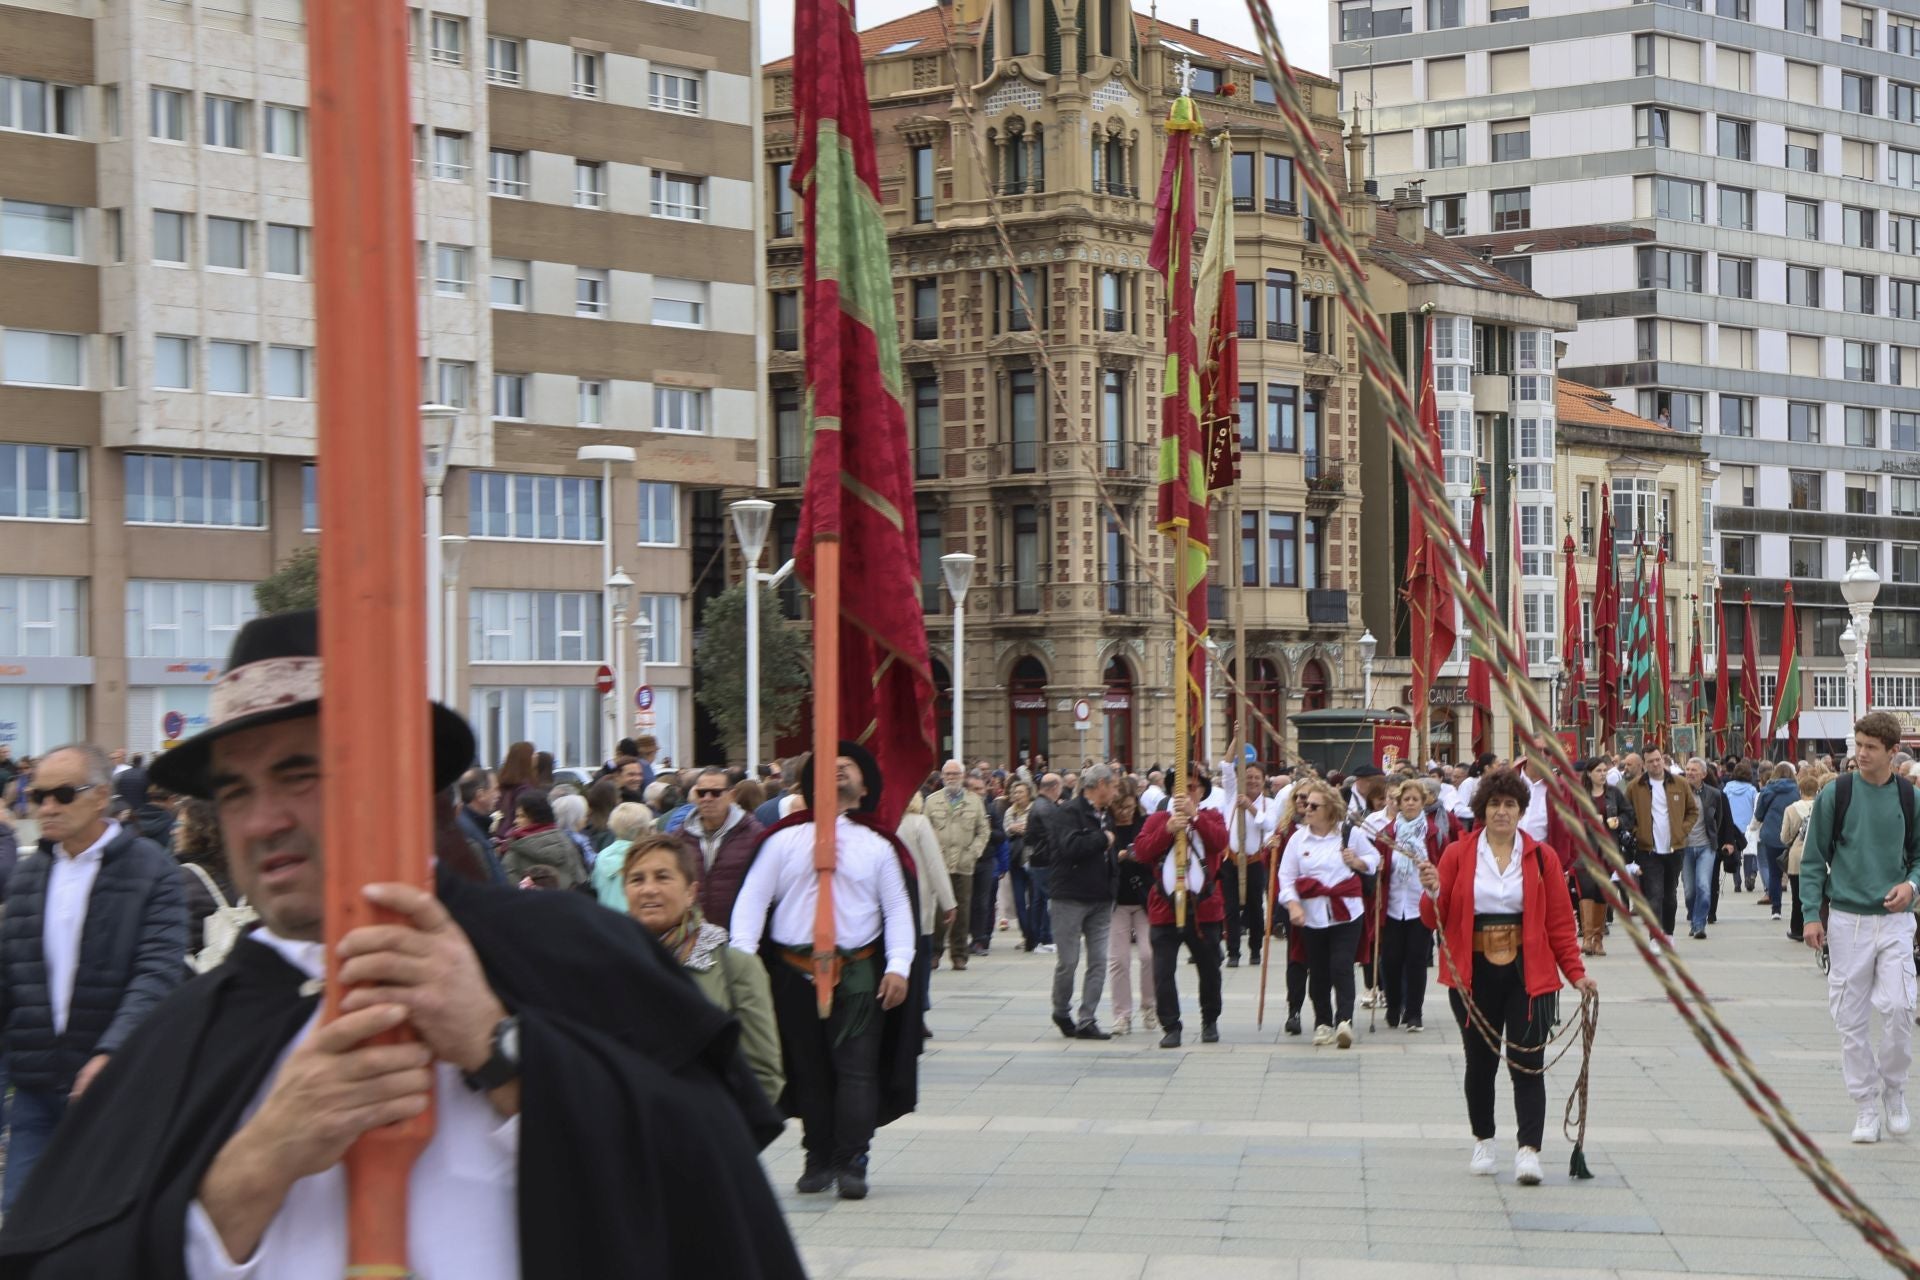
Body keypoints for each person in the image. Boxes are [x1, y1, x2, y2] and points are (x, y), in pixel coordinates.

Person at [0, 609, 801, 1276]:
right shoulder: (185, 1034)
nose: (262, 819)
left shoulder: (573, 953)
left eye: (300, 774)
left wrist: (507, 1053)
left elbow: (715, 1210)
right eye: (236, 790)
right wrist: (255, 1165)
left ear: (399, 777)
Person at [729, 743, 921, 1200]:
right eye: (828, 767)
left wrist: (898, 967)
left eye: (847, 766)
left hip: (858, 974)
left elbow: (898, 909)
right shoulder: (781, 841)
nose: (837, 770)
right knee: (808, 1070)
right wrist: (742, 965)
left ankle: (852, 1159)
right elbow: (751, 903)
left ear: (865, 786)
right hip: (793, 972)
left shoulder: (879, 847)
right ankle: (817, 1155)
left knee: (857, 1071)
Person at [0, 743, 187, 1210]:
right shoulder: (28, 876)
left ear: (101, 796)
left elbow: (158, 971)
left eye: (63, 794)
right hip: (37, 1090)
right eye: (38, 795)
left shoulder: (153, 870)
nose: (46, 807)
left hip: (116, 1091)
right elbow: (10, 979)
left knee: (103, 1225)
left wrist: (111, 1052)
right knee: (21, 1223)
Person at [1418, 768, 1595, 1185]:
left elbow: (1559, 924)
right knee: (1479, 1063)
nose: (1502, 811)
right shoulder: (1457, 854)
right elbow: (1432, 919)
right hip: (1472, 974)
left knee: (1527, 1064)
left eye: (1510, 804)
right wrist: (1433, 890)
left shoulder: (1542, 857)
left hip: (1527, 974)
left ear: (1520, 810)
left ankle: (1529, 1150)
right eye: (1495, 804)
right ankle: (1484, 1141)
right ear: (1482, 810)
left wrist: (1577, 974)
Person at [1799, 712, 1920, 1143]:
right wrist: (1811, 914)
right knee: (1850, 1020)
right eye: (1858, 744)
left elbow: (1919, 857)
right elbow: (1813, 858)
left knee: (1901, 1008)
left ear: (1893, 751)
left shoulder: (1909, 798)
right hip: (1847, 920)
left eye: (1870, 747)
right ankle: (1866, 1104)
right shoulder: (1837, 793)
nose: (1861, 753)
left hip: (1895, 920)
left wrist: (1911, 885)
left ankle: (1894, 1089)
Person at [623, 833, 783, 1107]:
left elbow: (764, 1075)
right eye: (637, 879)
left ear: (691, 893)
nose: (649, 889)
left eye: (662, 877)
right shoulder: (607, 964)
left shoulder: (736, 967)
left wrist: (714, 1127)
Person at [1277, 780, 1381, 1049]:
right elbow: (1286, 877)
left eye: (1314, 806)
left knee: (1341, 964)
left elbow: (1374, 859)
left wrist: (1357, 861)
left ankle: (1344, 1020)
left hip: (1347, 911)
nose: (1306, 809)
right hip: (1311, 915)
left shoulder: (1349, 834)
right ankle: (1322, 1023)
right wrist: (1293, 905)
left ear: (1330, 809)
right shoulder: (1297, 839)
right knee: (1319, 969)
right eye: (1305, 804)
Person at [1133, 766, 1227, 1048]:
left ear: (1202, 791)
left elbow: (1220, 842)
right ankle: (1170, 1025)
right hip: (1165, 907)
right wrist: (1167, 830)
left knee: (1209, 968)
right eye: (1180, 788)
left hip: (1204, 908)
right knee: (1163, 971)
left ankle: (1210, 1019)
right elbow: (1142, 851)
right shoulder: (1157, 819)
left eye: (1192, 787)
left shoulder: (1212, 816)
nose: (1186, 793)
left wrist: (1195, 817)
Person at [1045, 763, 1118, 1040]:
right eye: (1113, 786)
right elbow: (1070, 847)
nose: (1115, 792)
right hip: (1070, 896)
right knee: (1069, 961)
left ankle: (1087, 1018)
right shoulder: (1068, 812)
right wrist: (1102, 838)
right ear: (1100, 785)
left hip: (1101, 897)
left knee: (1099, 960)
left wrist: (1113, 882)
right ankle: (1061, 1010)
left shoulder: (1106, 814)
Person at [1381, 779, 1443, 1032]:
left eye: (1415, 799)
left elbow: (1441, 863)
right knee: (1391, 960)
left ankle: (1414, 1012)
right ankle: (1394, 1004)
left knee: (1417, 960)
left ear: (1423, 802)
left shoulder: (1432, 833)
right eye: (1406, 799)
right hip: (1393, 905)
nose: (1410, 803)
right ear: (1398, 803)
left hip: (1421, 905)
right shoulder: (1387, 833)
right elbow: (1379, 864)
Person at [1625, 748, 1697, 949]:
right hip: (1648, 850)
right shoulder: (1634, 787)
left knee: (1670, 896)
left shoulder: (1679, 783)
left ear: (1663, 760)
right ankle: (1655, 937)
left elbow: (1692, 811)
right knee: (1654, 896)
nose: (1655, 764)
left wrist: (1682, 830)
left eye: (1658, 760)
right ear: (1644, 764)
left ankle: (1668, 934)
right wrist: (1637, 832)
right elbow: (1626, 814)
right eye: (1650, 761)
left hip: (1674, 849)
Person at [677, 766, 764, 928]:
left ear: (731, 796)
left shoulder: (754, 833)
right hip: (694, 932)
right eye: (702, 793)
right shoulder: (681, 836)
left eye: (715, 793)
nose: (707, 798)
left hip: (738, 931)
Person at [924, 760, 988, 970]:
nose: (951, 778)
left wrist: (974, 852)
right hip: (939, 864)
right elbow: (925, 830)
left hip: (964, 864)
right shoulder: (932, 801)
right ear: (942, 777)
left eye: (955, 774)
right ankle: (934, 952)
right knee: (938, 911)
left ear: (963, 776)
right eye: (947, 774)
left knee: (962, 911)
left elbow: (983, 831)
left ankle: (959, 954)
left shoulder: (974, 801)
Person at [1104, 779, 1155, 1035]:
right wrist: (1117, 857)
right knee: (1119, 960)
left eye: (1128, 806)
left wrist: (1140, 855)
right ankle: (1122, 1014)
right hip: (1117, 901)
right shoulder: (1106, 826)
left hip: (1143, 897)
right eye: (1119, 807)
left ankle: (1149, 1005)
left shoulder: (1144, 824)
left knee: (1148, 954)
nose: (1124, 812)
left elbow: (1155, 853)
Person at [1222, 762, 1278, 968]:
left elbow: (1268, 824)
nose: (1252, 781)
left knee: (1255, 906)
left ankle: (1255, 949)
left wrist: (1250, 807)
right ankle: (1233, 952)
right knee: (1230, 908)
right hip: (1232, 859)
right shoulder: (1232, 796)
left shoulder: (1268, 804)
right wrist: (1233, 744)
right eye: (1249, 777)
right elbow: (1225, 768)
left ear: (1263, 781)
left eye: (1256, 777)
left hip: (1254, 860)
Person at [1573, 758, 1631, 956]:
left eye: (1605, 770)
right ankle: (1587, 938)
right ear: (1589, 773)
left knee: (1601, 892)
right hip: (1585, 850)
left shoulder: (1614, 793)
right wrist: (1590, 821)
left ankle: (1598, 940)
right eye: (1598, 771)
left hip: (1607, 849)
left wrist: (1618, 821)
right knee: (1587, 890)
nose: (1603, 774)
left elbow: (1629, 814)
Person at [1681, 758, 1735, 941]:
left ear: (1703, 774)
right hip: (1685, 847)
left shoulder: (1714, 794)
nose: (1690, 773)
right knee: (1689, 891)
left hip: (1706, 847)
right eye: (1688, 769)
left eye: (1694, 770)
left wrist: (1724, 841)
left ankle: (1699, 924)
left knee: (1704, 886)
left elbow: (1722, 819)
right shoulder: (1679, 793)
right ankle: (1693, 917)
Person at [500, 792, 586, 891]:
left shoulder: (515, 848)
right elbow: (580, 879)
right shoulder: (566, 842)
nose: (515, 821)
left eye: (521, 816)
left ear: (537, 818)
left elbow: (507, 882)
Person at [1777, 770, 1821, 943]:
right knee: (1817, 893)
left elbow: (1784, 837)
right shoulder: (1821, 806)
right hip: (1817, 854)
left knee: (1797, 895)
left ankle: (1797, 928)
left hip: (1796, 856)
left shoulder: (1791, 809)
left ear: (1800, 790)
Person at [1753, 761, 1800, 921]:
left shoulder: (1767, 790)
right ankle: (1797, 908)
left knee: (1774, 873)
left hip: (1772, 835)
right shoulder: (1797, 790)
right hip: (1793, 836)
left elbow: (1759, 814)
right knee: (1794, 874)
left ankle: (1776, 909)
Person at [1023, 774, 1063, 953]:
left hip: (1038, 859)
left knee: (1039, 900)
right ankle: (1046, 938)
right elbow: (1054, 836)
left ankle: (1036, 939)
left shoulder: (1039, 805)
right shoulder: (1046, 807)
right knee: (1048, 899)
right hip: (1046, 860)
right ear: (1054, 787)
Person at [595, 801, 654, 912]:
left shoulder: (601, 856)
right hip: (635, 918)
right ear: (641, 830)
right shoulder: (645, 857)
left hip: (606, 917)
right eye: (649, 826)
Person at [452, 769, 509, 885]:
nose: (499, 795)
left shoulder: (472, 824)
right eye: (495, 789)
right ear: (480, 795)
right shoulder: (468, 831)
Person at [492, 741, 537, 847]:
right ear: (525, 758)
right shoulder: (525, 789)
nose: (536, 756)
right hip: (514, 839)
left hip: (497, 836)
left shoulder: (501, 784)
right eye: (533, 753)